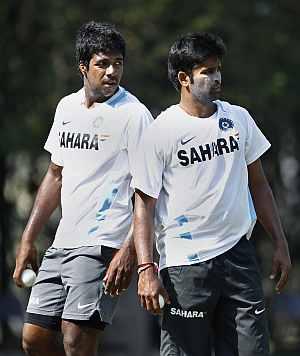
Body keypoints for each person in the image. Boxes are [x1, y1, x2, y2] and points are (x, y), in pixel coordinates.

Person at [133, 32, 291, 356]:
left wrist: (279, 241)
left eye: (217, 69)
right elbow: (144, 207)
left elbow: (259, 184)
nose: (216, 77)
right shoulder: (160, 132)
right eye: (206, 71)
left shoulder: (239, 119)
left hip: (239, 257)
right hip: (185, 268)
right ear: (184, 79)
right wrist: (146, 269)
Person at [13, 21, 153, 356]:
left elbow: (149, 192)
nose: (111, 71)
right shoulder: (66, 108)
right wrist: (27, 239)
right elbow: (55, 175)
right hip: (63, 243)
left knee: (76, 340)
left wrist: (128, 251)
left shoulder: (135, 115)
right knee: (34, 338)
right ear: (83, 66)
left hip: (104, 244)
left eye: (117, 63)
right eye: (102, 63)